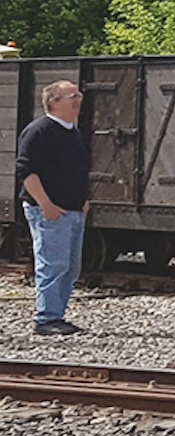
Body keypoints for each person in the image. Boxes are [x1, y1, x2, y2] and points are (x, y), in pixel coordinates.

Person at [15, 81, 91, 335]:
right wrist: (45, 205)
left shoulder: (72, 132)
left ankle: (56, 315)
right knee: (52, 264)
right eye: (73, 96)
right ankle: (45, 319)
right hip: (50, 211)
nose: (78, 100)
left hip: (73, 210)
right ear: (54, 101)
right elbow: (26, 170)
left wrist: (83, 201)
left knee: (70, 267)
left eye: (78, 95)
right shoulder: (39, 131)